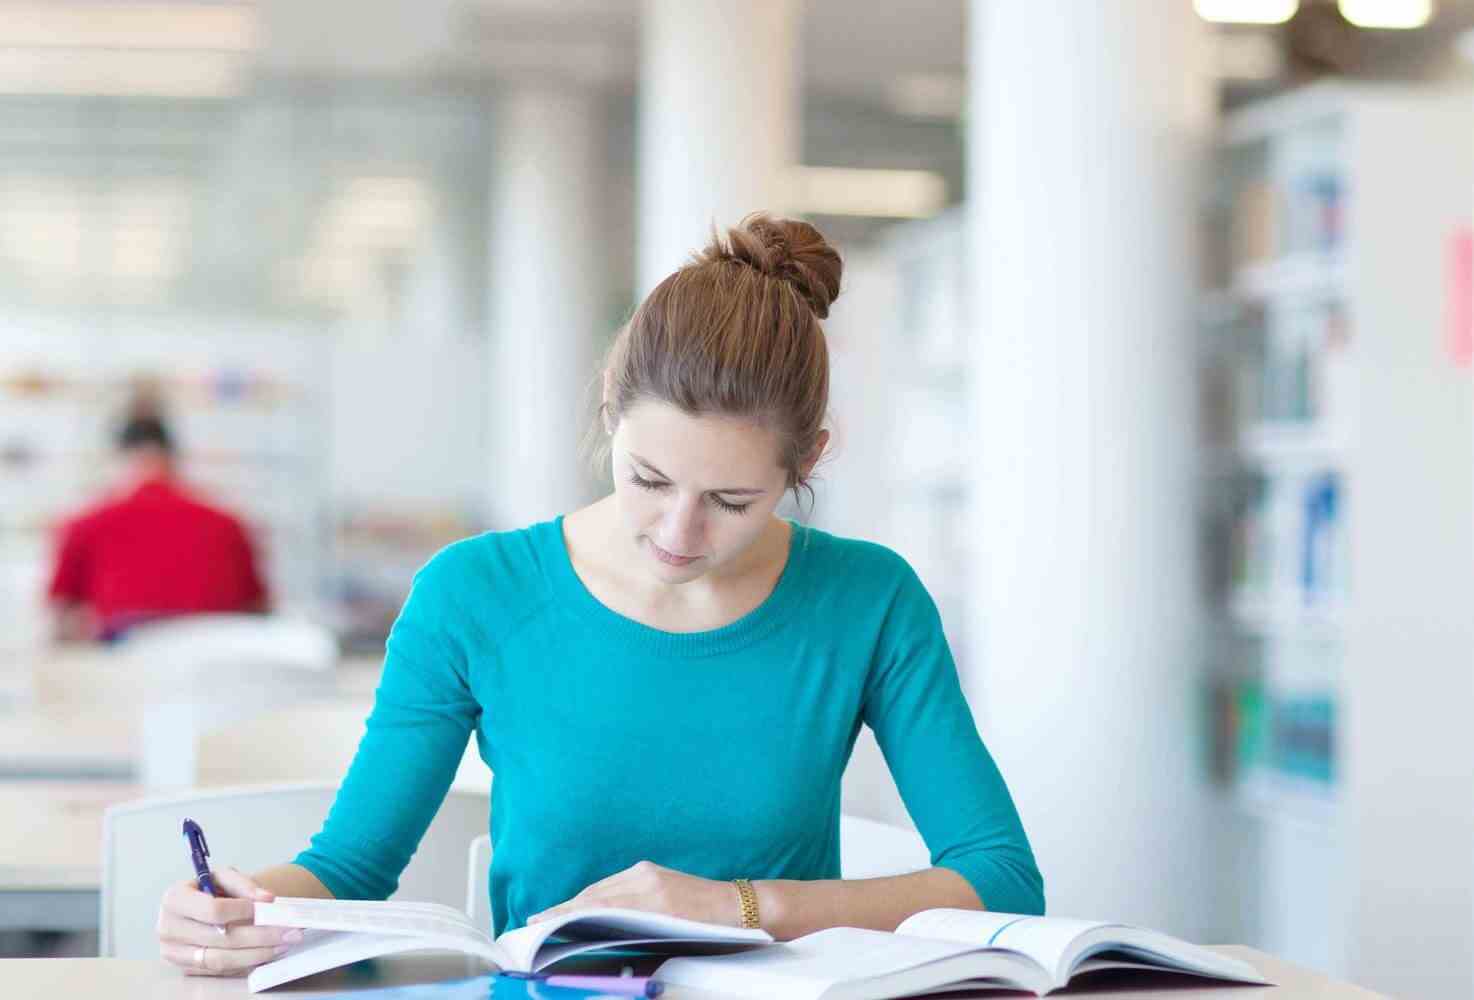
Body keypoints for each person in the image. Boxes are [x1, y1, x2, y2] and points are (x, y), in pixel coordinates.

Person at [154, 214, 1044, 977]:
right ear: (612, 406)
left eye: (732, 501)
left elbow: (1001, 878)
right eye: (648, 479)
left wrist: (740, 906)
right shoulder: (474, 594)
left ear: (806, 460)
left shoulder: (869, 600)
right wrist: (237, 910)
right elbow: (351, 867)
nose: (678, 531)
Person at [45, 405, 269, 642]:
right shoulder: (228, 523)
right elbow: (258, 607)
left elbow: (62, 613)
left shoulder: (86, 524)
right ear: (173, 456)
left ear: (120, 457)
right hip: (217, 650)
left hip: (127, 653)